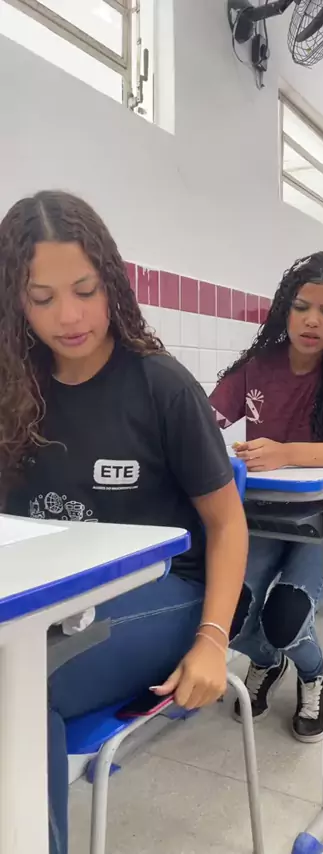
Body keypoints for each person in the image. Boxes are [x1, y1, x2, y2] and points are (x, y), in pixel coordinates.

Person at [0, 191, 248, 854]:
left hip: (165, 593)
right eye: (42, 298)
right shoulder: (12, 390)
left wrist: (213, 639)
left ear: (111, 281)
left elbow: (228, 525)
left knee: (17, 690)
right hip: (49, 600)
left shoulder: (161, 385)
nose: (69, 315)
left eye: (84, 290)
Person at [209, 253, 323, 743]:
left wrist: (287, 452)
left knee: (285, 615)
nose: (313, 320)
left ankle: (313, 674)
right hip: (263, 520)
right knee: (229, 614)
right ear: (284, 311)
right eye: (301, 307)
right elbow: (202, 424)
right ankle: (268, 661)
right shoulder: (257, 367)